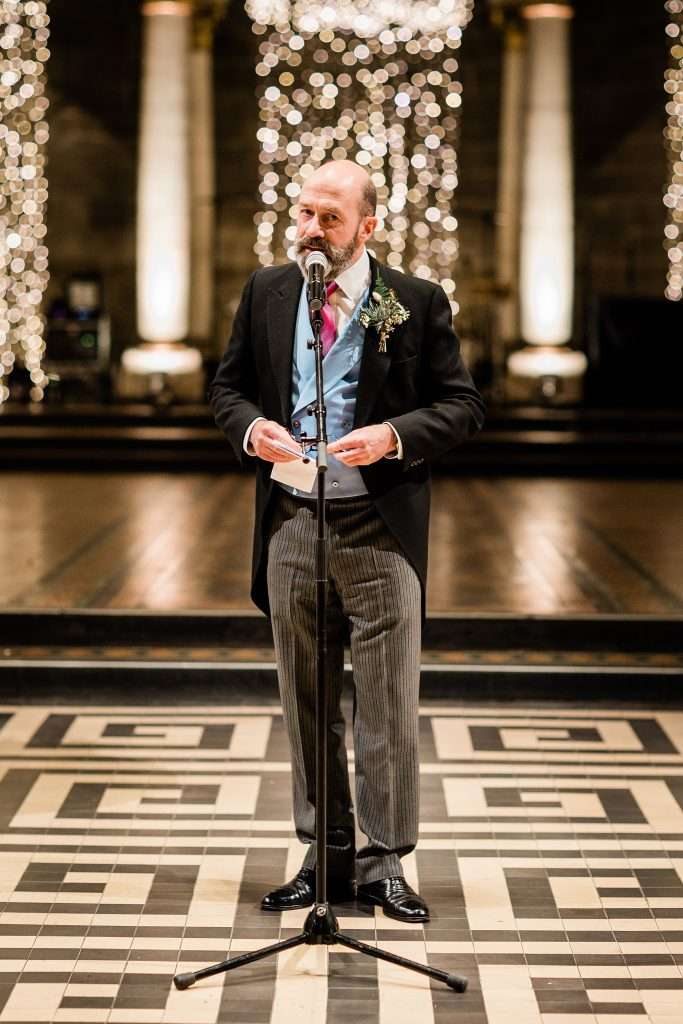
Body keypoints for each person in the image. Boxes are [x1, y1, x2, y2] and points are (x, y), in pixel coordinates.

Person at [209, 159, 484, 923]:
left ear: (366, 227)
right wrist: (250, 429)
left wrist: (395, 435)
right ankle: (321, 856)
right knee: (305, 699)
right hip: (292, 521)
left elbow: (462, 405)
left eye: (329, 218)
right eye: (304, 213)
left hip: (378, 528)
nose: (310, 230)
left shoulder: (414, 303)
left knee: (386, 704)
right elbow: (226, 388)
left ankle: (383, 861)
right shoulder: (266, 290)